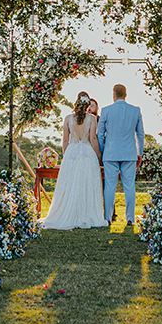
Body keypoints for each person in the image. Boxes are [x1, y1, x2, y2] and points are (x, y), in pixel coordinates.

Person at [39, 92, 106, 230]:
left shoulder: (68, 118)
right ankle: (86, 214)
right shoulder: (92, 119)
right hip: (88, 154)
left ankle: (71, 213)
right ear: (88, 105)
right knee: (87, 183)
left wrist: (66, 156)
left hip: (72, 153)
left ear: (76, 103)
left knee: (70, 185)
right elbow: (93, 140)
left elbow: (65, 140)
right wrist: (99, 156)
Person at [97, 84, 145, 226]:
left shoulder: (106, 111)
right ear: (126, 94)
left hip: (110, 153)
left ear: (113, 94)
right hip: (129, 153)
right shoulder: (135, 110)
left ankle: (107, 218)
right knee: (129, 186)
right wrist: (139, 153)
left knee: (110, 187)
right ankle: (130, 218)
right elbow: (140, 134)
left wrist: (101, 151)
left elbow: (100, 134)